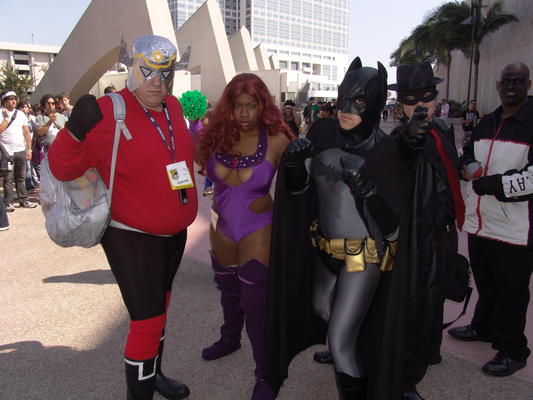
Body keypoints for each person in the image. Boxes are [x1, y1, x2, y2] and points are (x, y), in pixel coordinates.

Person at [47, 34, 198, 400]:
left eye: (165, 72)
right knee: (147, 320)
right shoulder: (107, 110)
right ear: (132, 67)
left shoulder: (172, 106)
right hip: (131, 234)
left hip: (173, 234)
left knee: (159, 308)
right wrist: (74, 130)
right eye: (148, 71)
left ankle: (154, 375)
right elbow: (61, 168)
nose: (156, 82)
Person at [265, 57, 411, 400]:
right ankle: (355, 351)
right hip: (324, 250)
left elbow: (394, 229)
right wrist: (293, 164)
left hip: (363, 257)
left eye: (358, 101)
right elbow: (300, 192)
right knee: (325, 314)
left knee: (340, 341)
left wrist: (368, 192)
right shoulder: (323, 133)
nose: (346, 108)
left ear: (376, 104)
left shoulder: (385, 151)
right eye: (343, 97)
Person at [197, 73, 292, 400]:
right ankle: (230, 338)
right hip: (221, 228)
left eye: (251, 105)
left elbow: (303, 186)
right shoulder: (215, 137)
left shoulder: (278, 140)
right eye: (237, 106)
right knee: (228, 292)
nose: (244, 113)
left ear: (262, 105)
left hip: (258, 229)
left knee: (255, 303)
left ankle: (266, 374)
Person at [448, 61, 533, 377]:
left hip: (515, 229)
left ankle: (513, 350)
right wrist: (465, 165)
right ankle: (483, 326)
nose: (511, 86)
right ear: (498, 86)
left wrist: (491, 185)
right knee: (487, 284)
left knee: (512, 293)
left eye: (518, 81)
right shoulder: (487, 121)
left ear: (528, 84)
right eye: (506, 81)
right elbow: (467, 153)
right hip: (480, 223)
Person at [389, 61, 464, 400]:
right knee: (416, 305)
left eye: (427, 96)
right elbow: (404, 153)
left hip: (444, 229)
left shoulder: (443, 131)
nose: (420, 104)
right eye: (410, 98)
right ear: (400, 103)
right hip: (417, 236)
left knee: (437, 295)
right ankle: (406, 381)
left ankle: (429, 351)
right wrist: (410, 138)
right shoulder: (400, 137)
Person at [0, 90, 37, 211]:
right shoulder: (1, 113)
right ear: (4, 101)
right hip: (7, 151)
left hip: (20, 150)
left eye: (15, 98)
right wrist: (6, 119)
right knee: (8, 178)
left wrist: (29, 149)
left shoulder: (20, 114)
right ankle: (8, 202)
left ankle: (23, 200)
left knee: (21, 177)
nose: (14, 101)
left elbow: (26, 132)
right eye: (10, 99)